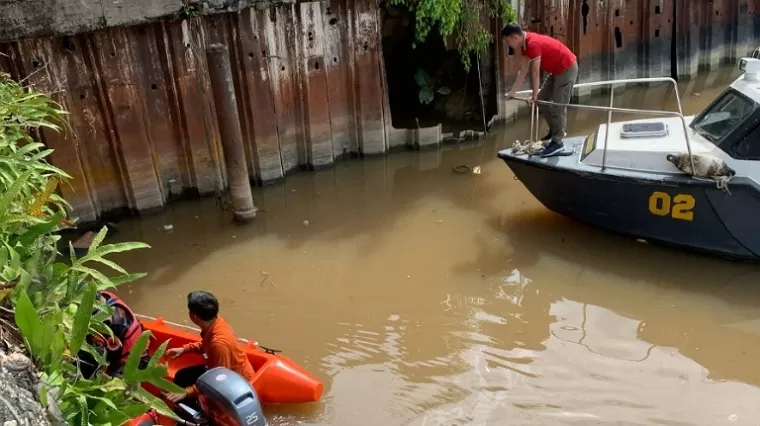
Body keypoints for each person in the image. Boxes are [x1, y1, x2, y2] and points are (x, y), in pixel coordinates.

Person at [164, 291, 256, 426]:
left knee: (187, 388)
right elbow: (206, 343)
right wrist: (185, 349)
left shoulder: (219, 344)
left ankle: (192, 420)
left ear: (193, 316)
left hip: (235, 381)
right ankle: (188, 411)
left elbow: (218, 382)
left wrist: (187, 392)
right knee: (182, 376)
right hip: (223, 371)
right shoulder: (217, 323)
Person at [502, 22, 579, 157]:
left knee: (558, 107)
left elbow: (535, 72)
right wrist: (512, 92)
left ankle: (558, 143)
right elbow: (523, 70)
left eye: (508, 41)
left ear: (515, 37)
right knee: (542, 100)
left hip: (567, 67)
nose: (508, 45)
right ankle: (555, 131)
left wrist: (533, 94)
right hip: (555, 71)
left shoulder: (533, 44)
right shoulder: (524, 47)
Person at [78, 290, 149, 378]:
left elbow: (101, 358)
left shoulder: (109, 323)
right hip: (121, 347)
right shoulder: (104, 296)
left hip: (131, 362)